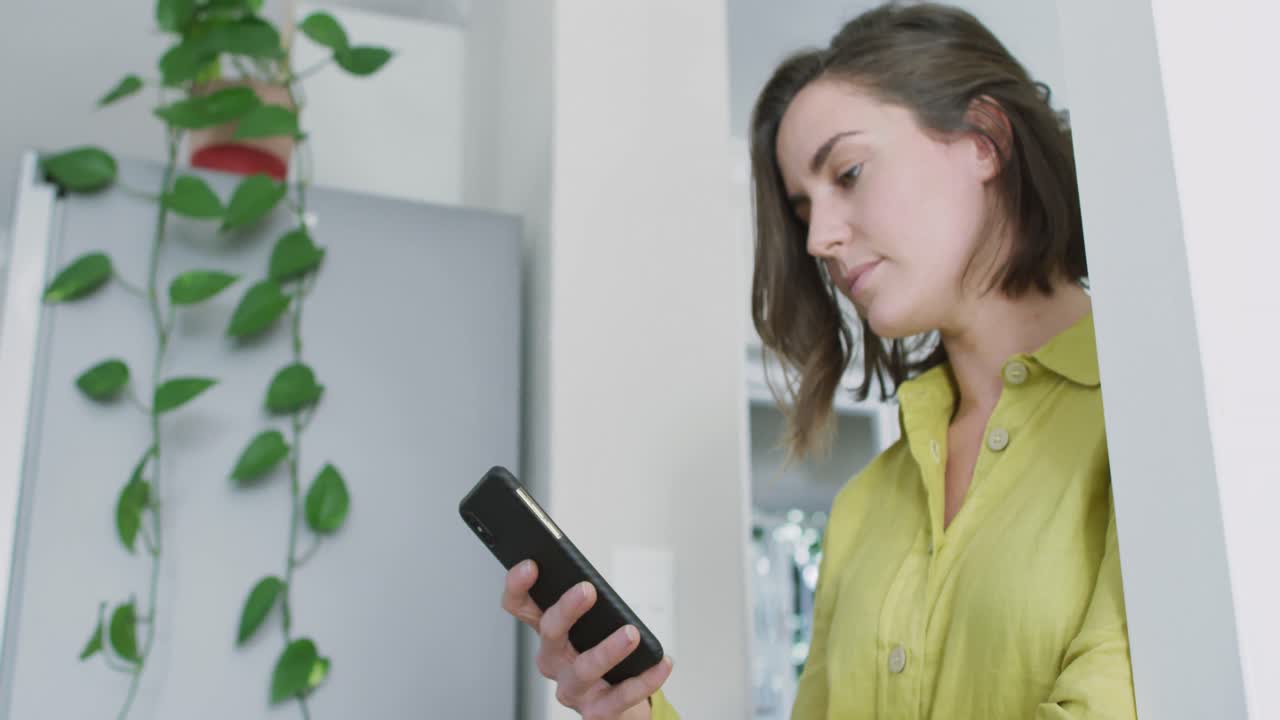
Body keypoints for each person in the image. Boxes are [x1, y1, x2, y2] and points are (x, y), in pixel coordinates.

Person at [501, 2, 1138, 718]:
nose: (819, 239)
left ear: (985, 139)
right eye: (804, 211)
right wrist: (633, 710)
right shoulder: (866, 510)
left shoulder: (1152, 423)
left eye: (850, 172)